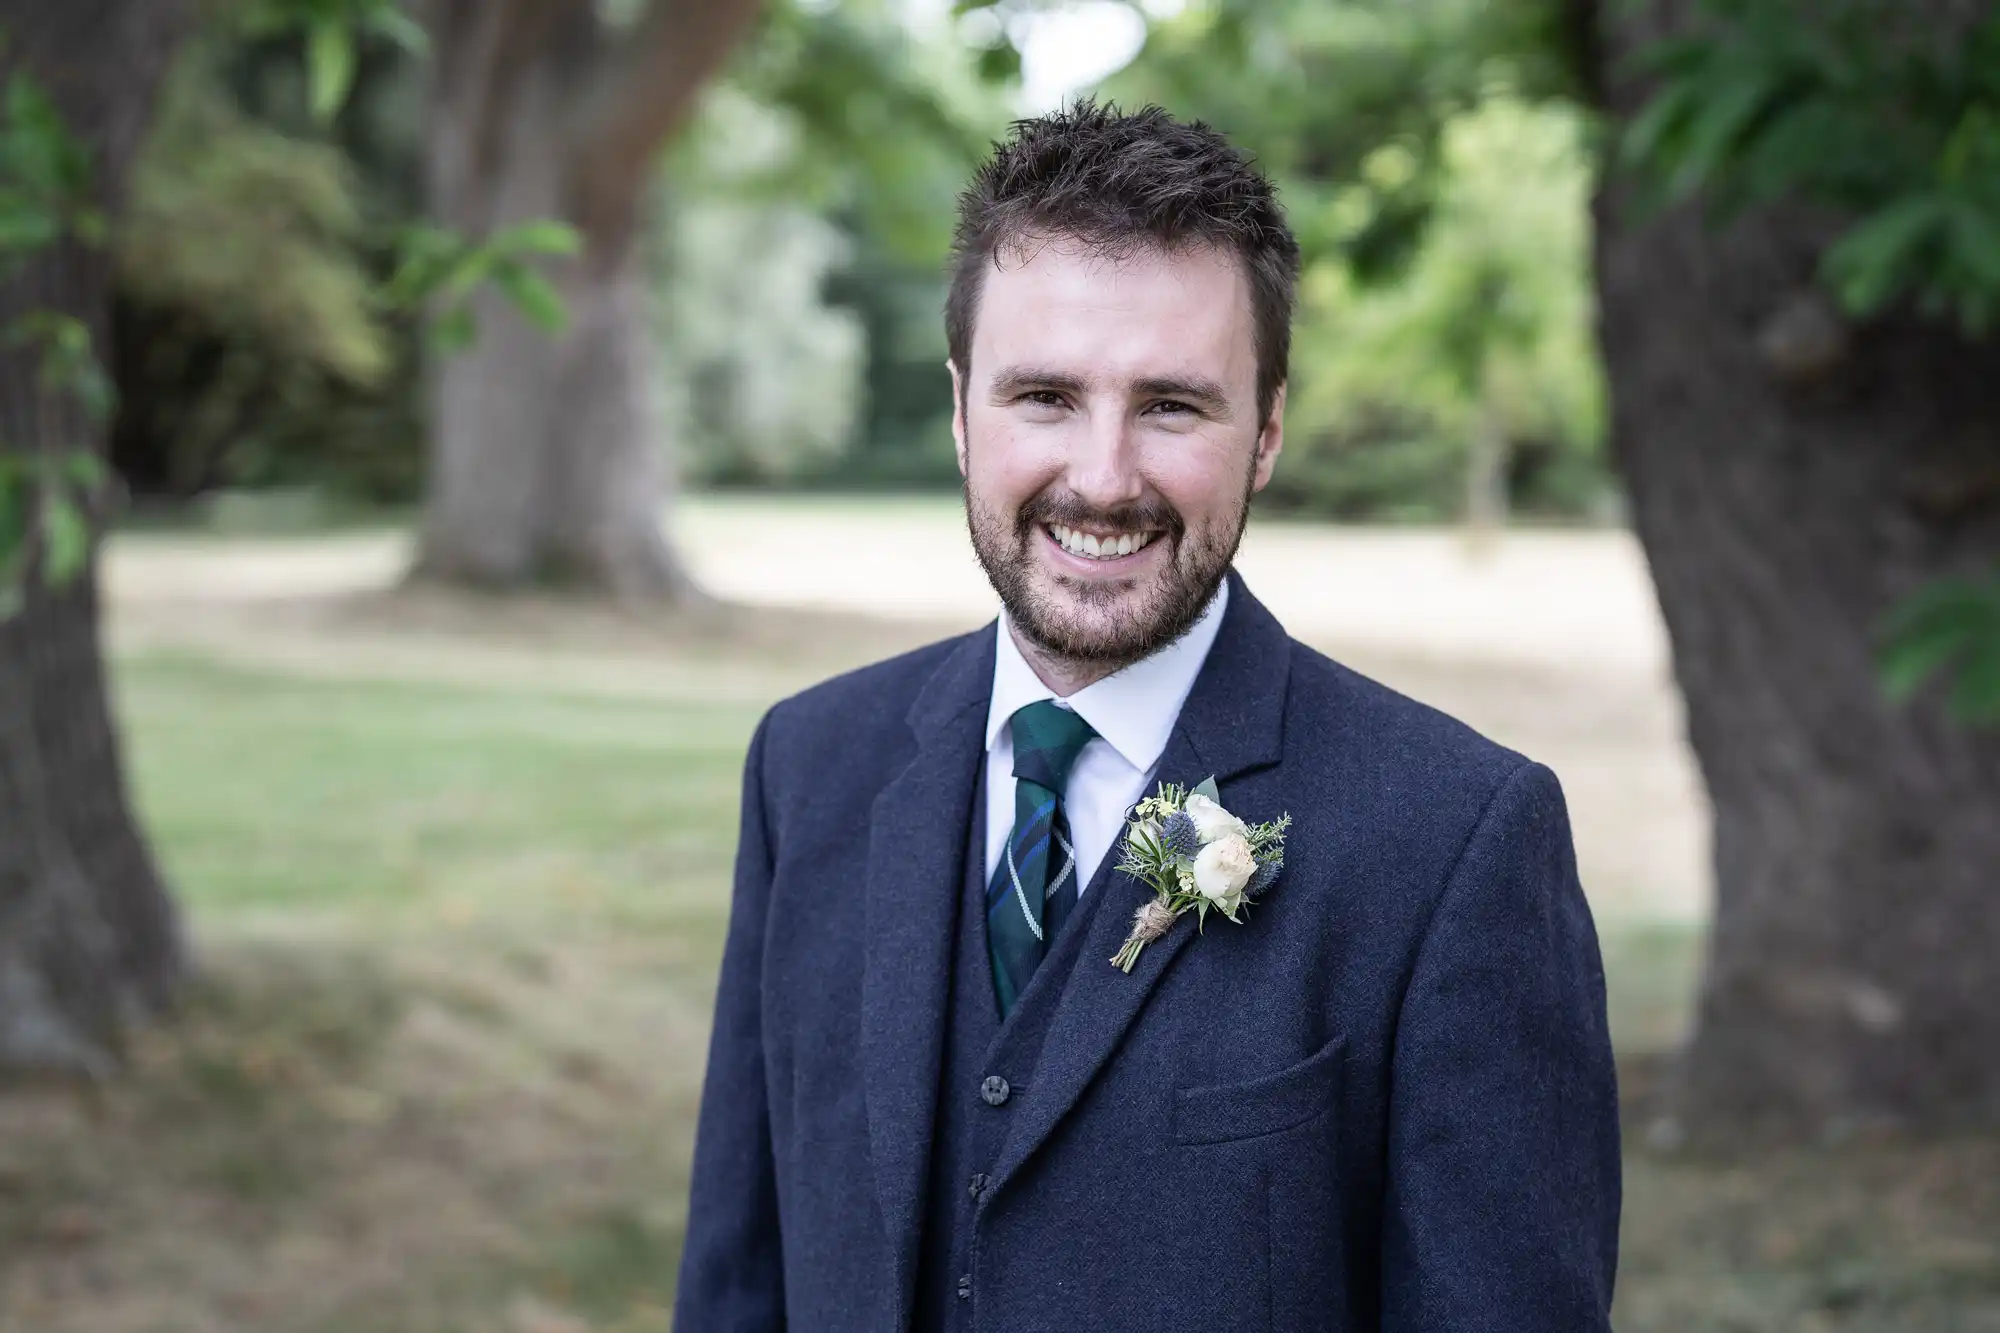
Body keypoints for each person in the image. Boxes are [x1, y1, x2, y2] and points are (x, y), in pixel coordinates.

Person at [673, 101, 1620, 1333]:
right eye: (1045, 397)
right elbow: (738, 1281)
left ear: (1266, 429)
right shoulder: (807, 767)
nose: (1104, 478)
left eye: (1170, 405)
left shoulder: (1455, 840)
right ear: (962, 413)